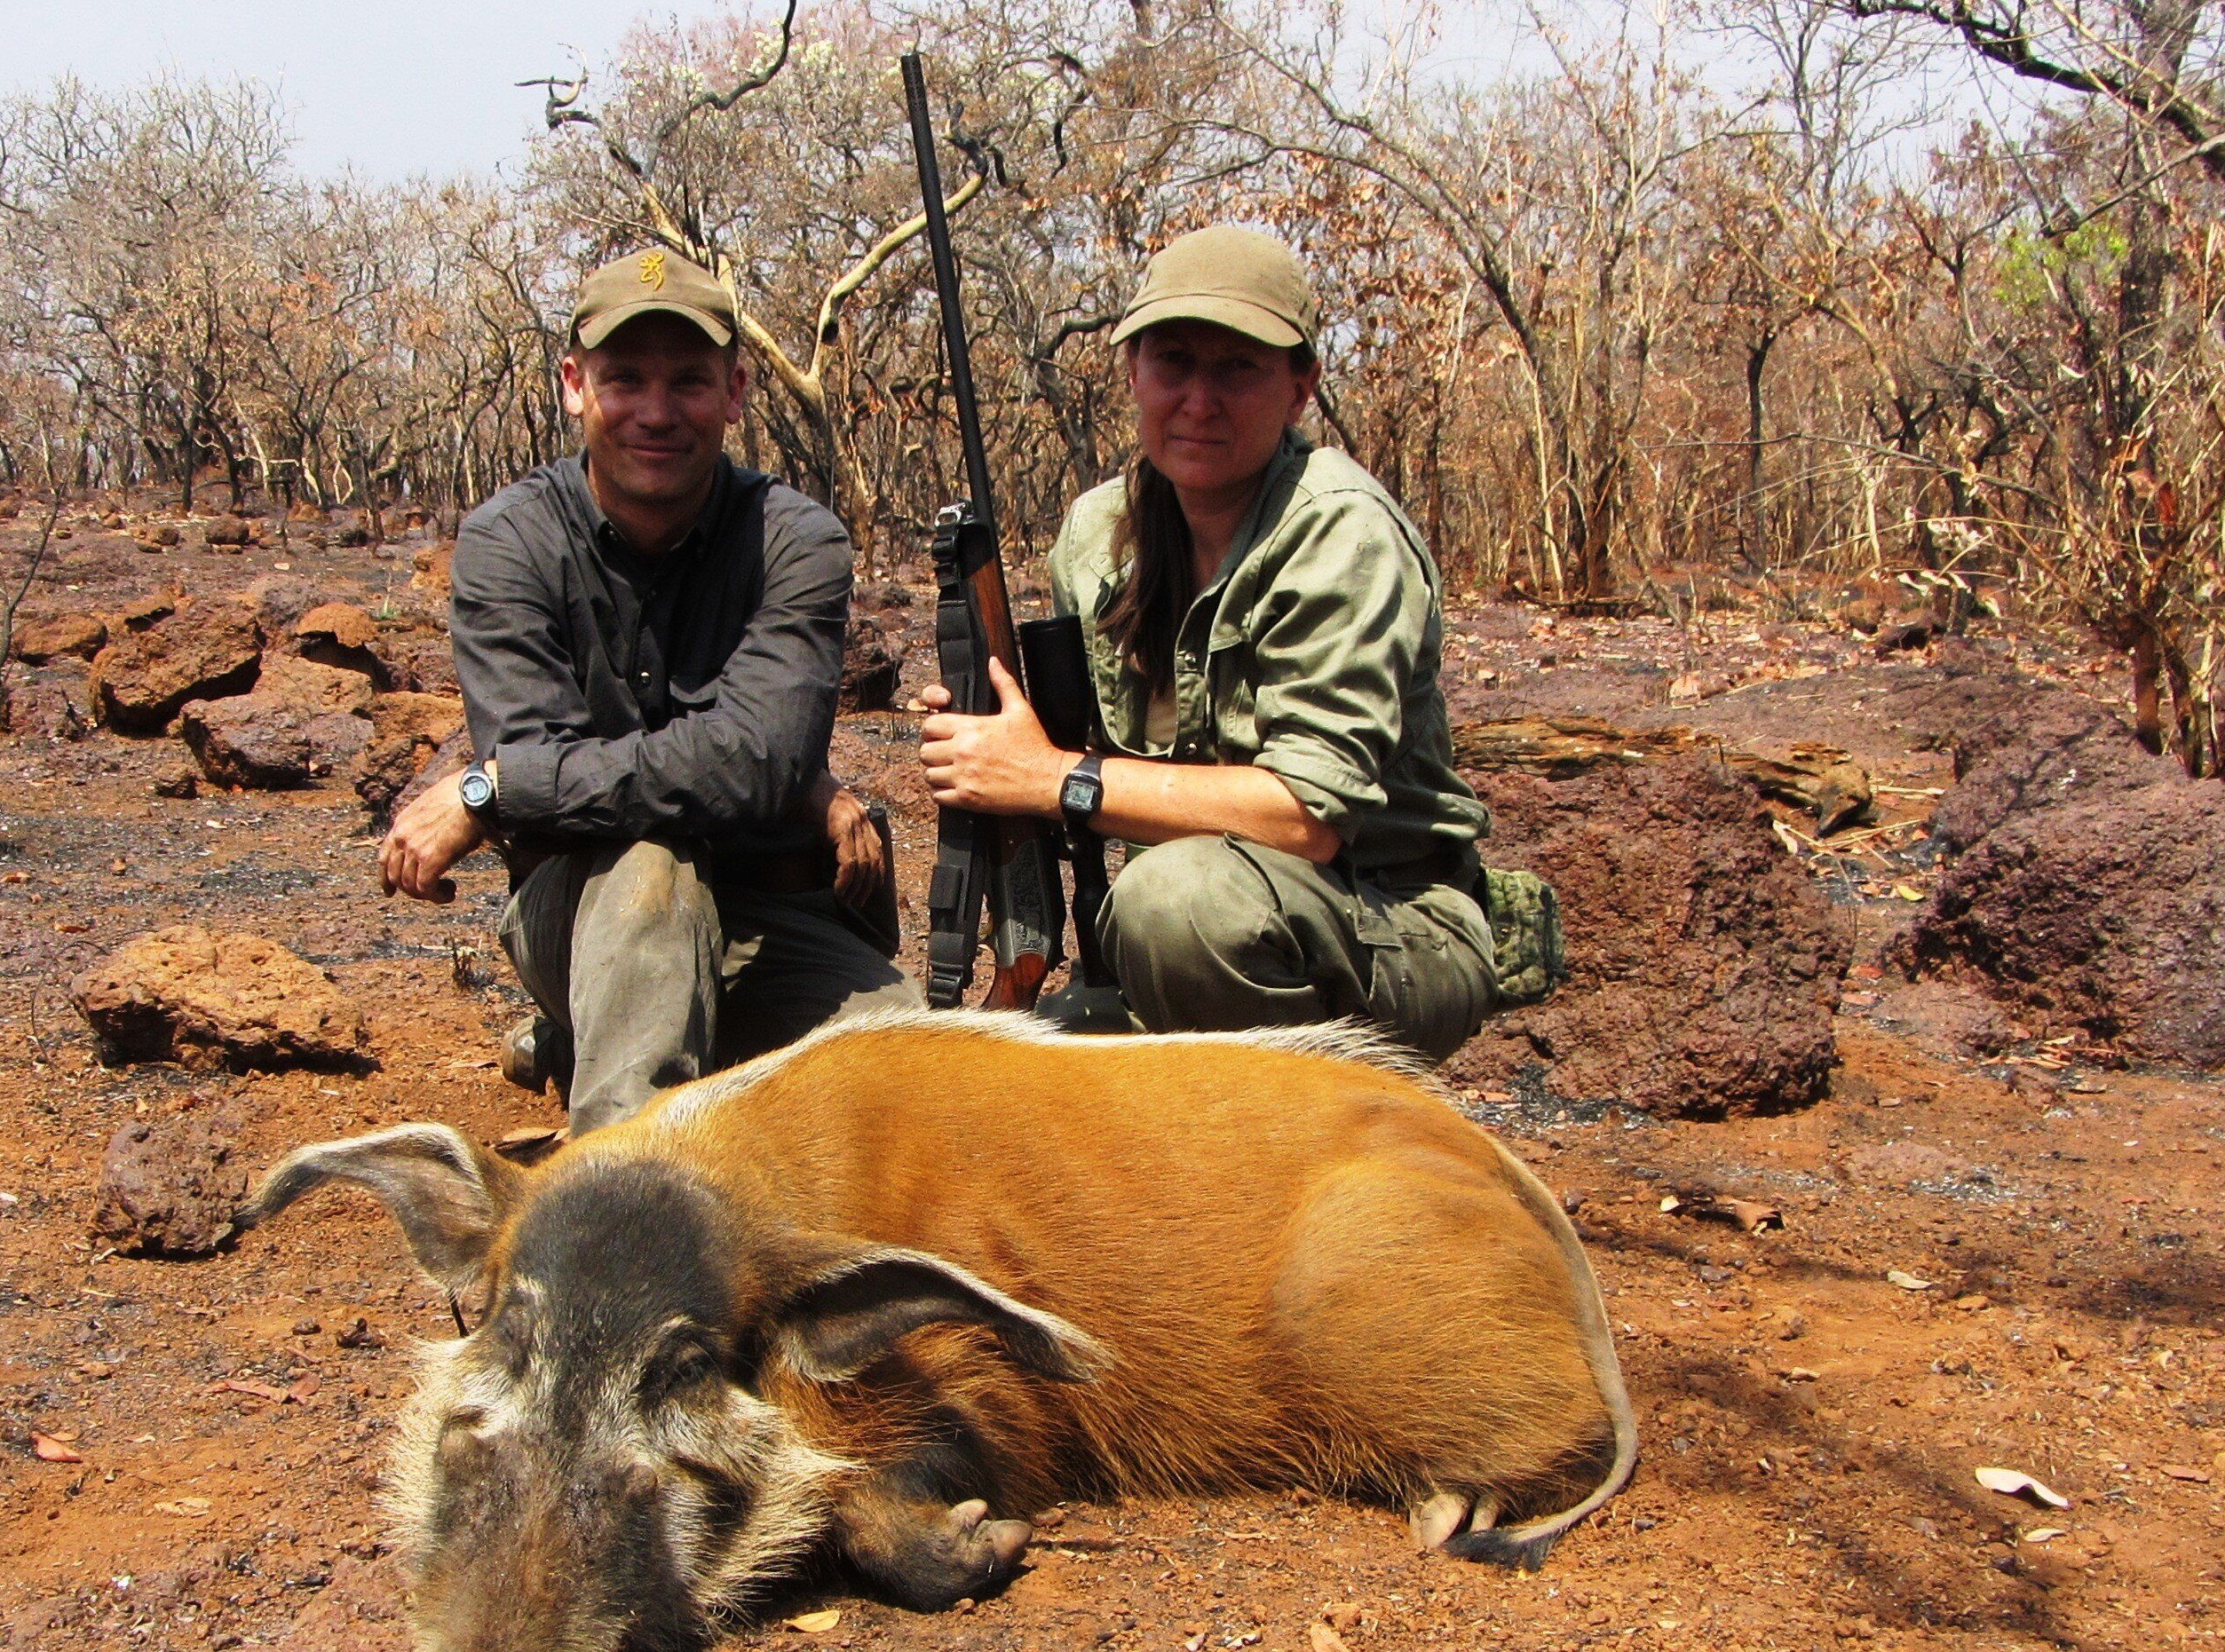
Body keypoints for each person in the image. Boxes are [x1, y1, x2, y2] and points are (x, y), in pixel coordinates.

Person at [918, 225, 1495, 1061]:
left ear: (1300, 387)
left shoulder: (1341, 533)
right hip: (1213, 929)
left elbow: (1305, 820)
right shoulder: (1095, 534)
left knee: (1173, 906)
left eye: (1237, 369)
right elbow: (1059, 757)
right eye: (1173, 363)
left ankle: (1287, 1162)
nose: (1198, 400)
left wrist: (1051, 777)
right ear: (1132, 374)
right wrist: (988, 743)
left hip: (1392, 923)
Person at [378, 246, 917, 1134]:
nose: (655, 412)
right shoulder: (507, 541)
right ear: (573, 385)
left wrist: (496, 787)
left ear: (735, 391)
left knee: (909, 1079)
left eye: (689, 382)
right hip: (587, 910)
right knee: (650, 874)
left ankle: (581, 1049)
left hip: (761, 910)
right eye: (624, 378)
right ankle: (610, 1217)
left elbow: (755, 767)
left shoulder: (797, 540)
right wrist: (755, 774)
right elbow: (712, 772)